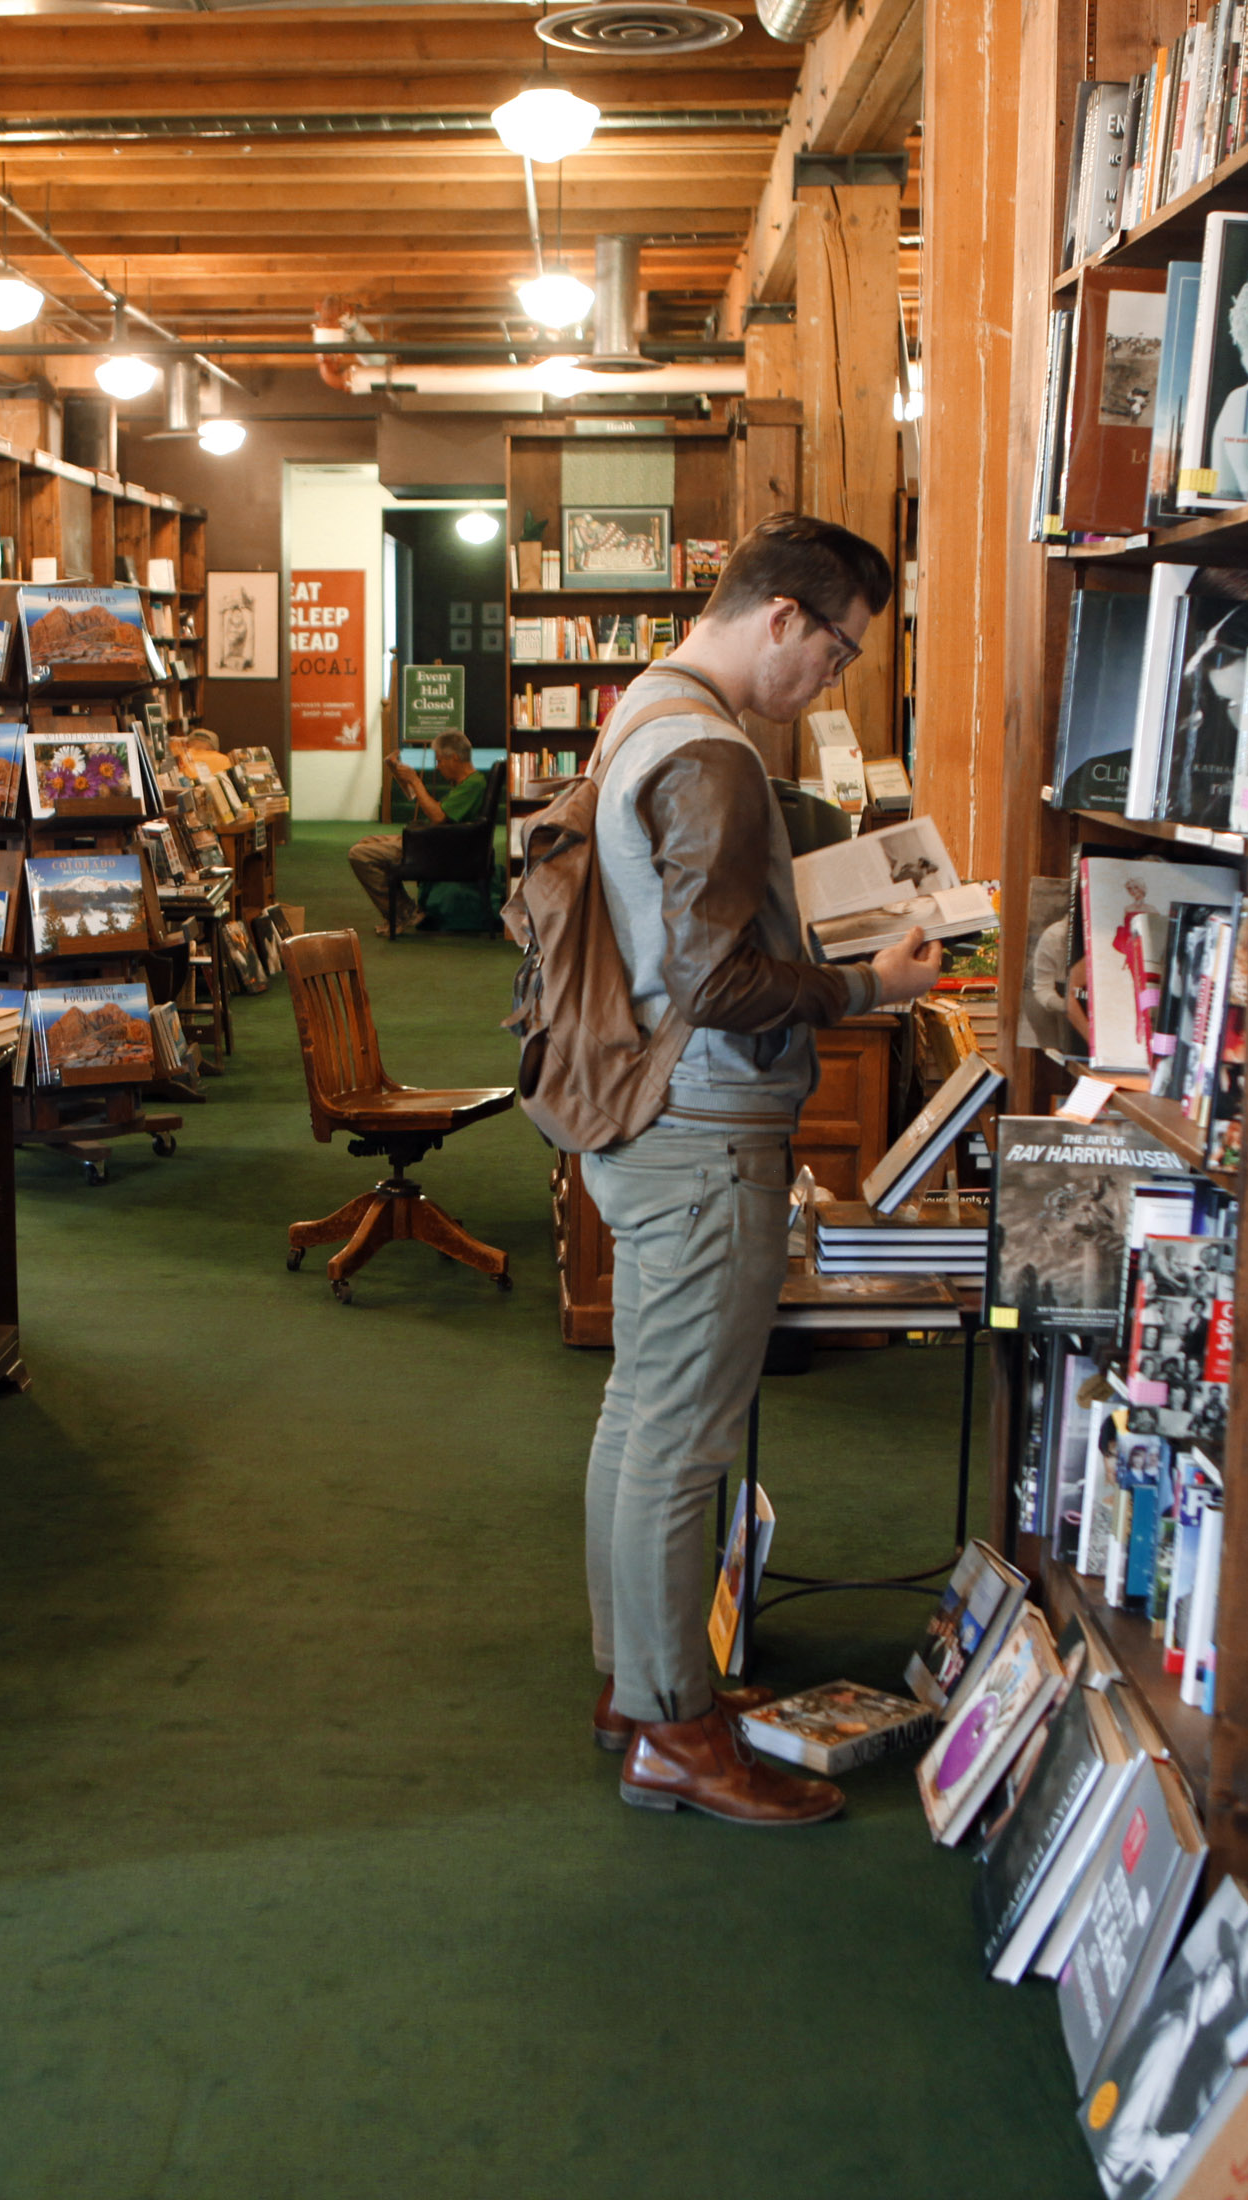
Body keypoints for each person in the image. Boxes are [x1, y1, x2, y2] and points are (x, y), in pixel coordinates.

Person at [580, 512, 942, 1825]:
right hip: (704, 1130)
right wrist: (867, 981)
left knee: (644, 1416)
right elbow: (715, 977)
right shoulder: (712, 755)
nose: (830, 682)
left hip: (645, 1118)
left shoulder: (645, 709)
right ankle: (674, 1731)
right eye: (839, 651)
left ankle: (640, 1687)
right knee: (682, 1436)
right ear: (784, 616)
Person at [348, 729, 493, 937]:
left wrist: (415, 781)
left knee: (359, 854)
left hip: (438, 847)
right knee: (366, 842)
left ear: (454, 758)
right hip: (437, 840)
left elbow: (438, 816)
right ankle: (402, 911)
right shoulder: (469, 783)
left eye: (440, 761)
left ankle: (404, 912)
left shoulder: (474, 785)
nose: (438, 766)